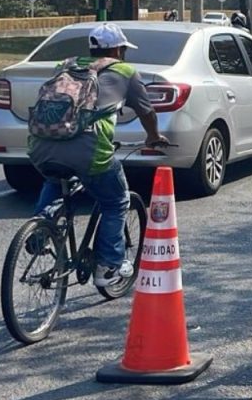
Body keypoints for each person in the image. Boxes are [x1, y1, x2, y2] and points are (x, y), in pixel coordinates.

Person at [26, 23, 168, 289]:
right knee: (116, 201)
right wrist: (153, 136)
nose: (124, 54)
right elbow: (147, 111)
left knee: (54, 181)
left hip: (42, 144)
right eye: (123, 49)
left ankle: (38, 233)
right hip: (90, 149)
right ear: (116, 48)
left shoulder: (65, 65)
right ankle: (108, 266)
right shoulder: (125, 71)